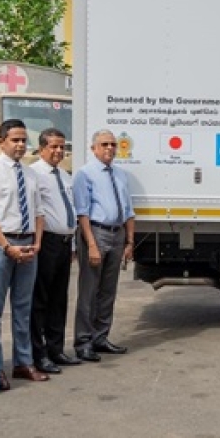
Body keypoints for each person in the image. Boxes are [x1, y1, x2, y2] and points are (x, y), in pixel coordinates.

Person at [0, 119, 47, 388]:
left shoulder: (30, 174)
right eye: (15, 140)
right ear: (2, 141)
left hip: (28, 243)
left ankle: (23, 363)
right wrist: (7, 246)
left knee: (23, 307)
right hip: (1, 246)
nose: (20, 145)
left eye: (23, 140)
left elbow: (39, 212)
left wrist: (36, 243)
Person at [73, 129, 135, 361]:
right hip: (96, 233)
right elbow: (82, 212)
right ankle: (83, 342)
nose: (110, 148)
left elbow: (128, 210)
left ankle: (100, 337)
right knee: (89, 291)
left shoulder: (120, 174)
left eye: (113, 144)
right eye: (104, 144)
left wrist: (129, 241)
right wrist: (91, 244)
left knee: (108, 291)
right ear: (94, 148)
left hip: (117, 234)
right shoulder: (85, 174)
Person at [29, 128, 82, 373]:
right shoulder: (34, 174)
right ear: (42, 148)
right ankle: (38, 354)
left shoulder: (65, 175)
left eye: (62, 147)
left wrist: (71, 244)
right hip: (46, 242)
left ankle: (56, 349)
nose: (59, 151)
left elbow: (68, 209)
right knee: (40, 300)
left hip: (64, 243)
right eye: (53, 146)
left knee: (59, 300)